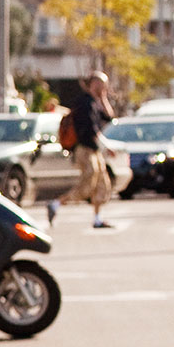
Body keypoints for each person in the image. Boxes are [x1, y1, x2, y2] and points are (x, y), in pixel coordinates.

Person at [50, 71, 115, 229]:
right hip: (84, 150)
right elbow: (91, 131)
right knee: (87, 184)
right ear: (95, 84)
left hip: (94, 150)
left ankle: (97, 219)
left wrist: (103, 98)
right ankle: (56, 204)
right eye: (102, 85)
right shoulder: (84, 103)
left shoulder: (94, 102)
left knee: (102, 185)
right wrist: (106, 147)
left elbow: (110, 118)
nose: (104, 88)